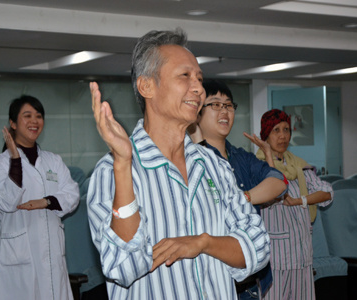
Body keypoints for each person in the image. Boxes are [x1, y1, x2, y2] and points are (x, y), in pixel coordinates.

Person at [87, 28, 270, 300]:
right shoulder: (112, 172)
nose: (198, 88)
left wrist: (204, 243)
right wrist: (123, 163)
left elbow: (259, 247)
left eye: (199, 78)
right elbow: (122, 267)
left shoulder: (213, 165)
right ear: (146, 86)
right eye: (185, 76)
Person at [189, 79, 288, 299]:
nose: (224, 110)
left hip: (249, 284)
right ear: (196, 113)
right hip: (212, 282)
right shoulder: (189, 161)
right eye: (215, 104)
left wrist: (242, 197)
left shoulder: (242, 158)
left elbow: (279, 182)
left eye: (228, 105)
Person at [0, 95, 80, 300]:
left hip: (52, 252)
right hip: (18, 257)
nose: (34, 121)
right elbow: (7, 202)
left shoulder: (53, 161)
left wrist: (46, 202)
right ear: (12, 123)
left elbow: (72, 194)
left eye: (39, 116)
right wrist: (16, 160)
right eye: (27, 115)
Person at [256, 108, 333, 300]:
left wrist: (301, 200)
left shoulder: (299, 166)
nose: (282, 136)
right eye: (276, 130)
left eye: (286, 129)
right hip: (275, 261)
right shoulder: (256, 167)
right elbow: (274, 190)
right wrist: (267, 156)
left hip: (303, 256)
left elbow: (327, 193)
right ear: (265, 134)